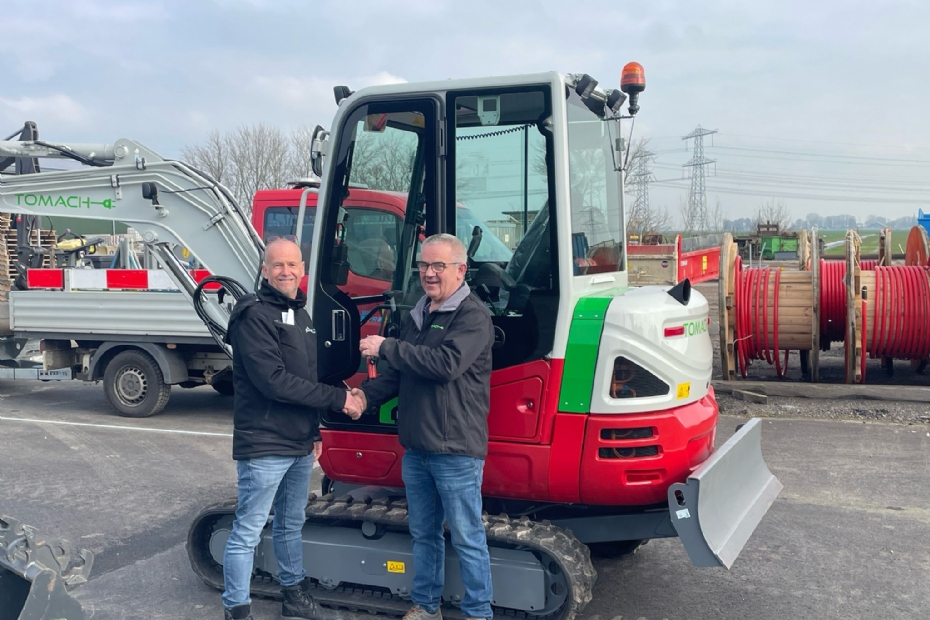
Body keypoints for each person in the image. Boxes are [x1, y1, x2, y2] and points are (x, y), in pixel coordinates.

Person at [221, 238, 365, 620]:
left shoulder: (300, 313)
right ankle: (236, 609)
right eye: (277, 265)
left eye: (292, 264)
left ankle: (295, 598)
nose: (286, 271)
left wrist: (315, 432)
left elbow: (305, 377)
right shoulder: (252, 315)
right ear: (264, 270)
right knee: (248, 529)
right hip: (265, 442)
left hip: (299, 441)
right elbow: (274, 382)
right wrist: (339, 400)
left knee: (290, 523)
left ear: (303, 268)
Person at [355, 233, 495, 620]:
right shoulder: (420, 313)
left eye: (438, 266)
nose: (429, 274)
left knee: (467, 537)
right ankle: (426, 605)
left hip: (455, 450)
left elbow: (444, 365)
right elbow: (401, 371)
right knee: (424, 534)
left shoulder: (471, 316)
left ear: (460, 270)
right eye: (423, 266)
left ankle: (479, 612)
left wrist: (386, 346)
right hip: (417, 448)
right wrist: (365, 397)